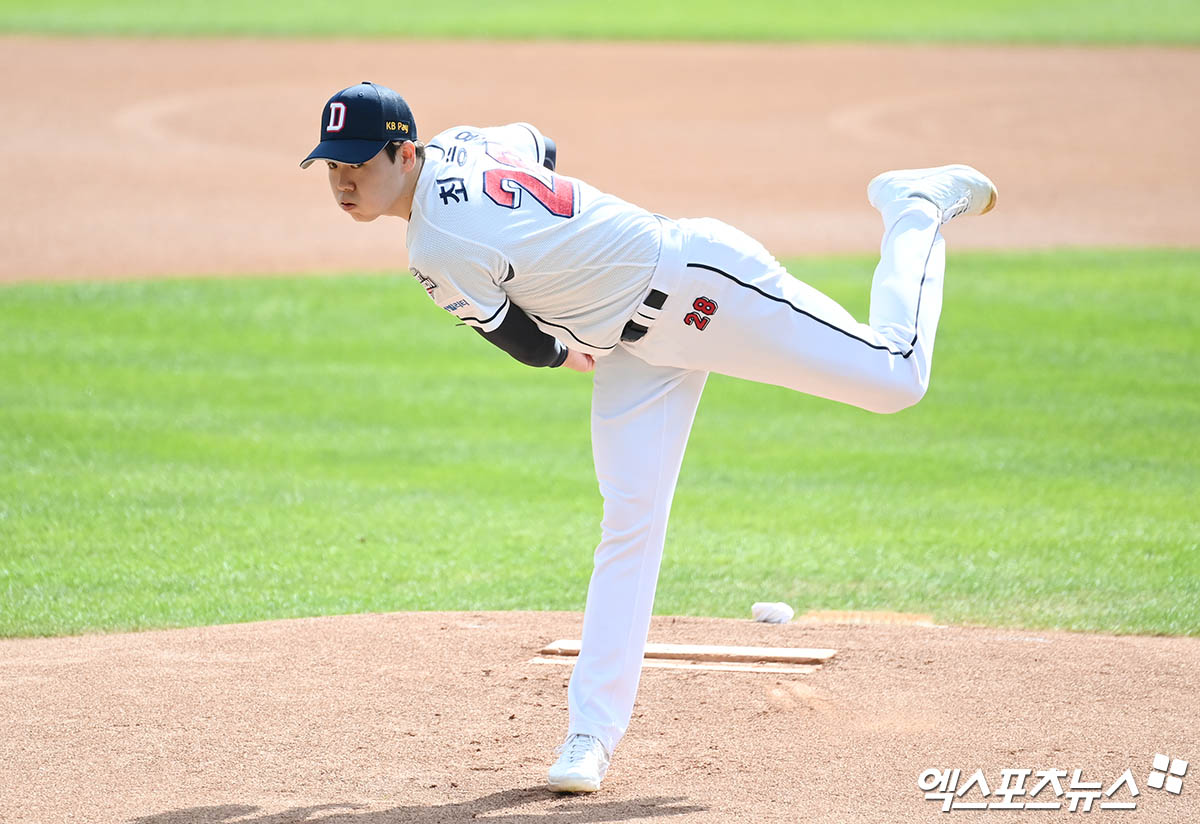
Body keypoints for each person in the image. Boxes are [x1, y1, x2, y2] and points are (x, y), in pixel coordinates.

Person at [301, 81, 996, 793]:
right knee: (630, 523)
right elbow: (537, 143)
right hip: (635, 353)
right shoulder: (469, 143)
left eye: (357, 163)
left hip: (702, 291)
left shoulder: (434, 246)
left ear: (405, 151)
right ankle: (589, 736)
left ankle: (914, 207)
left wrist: (563, 343)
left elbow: (520, 340)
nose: (344, 181)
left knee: (895, 376)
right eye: (332, 166)